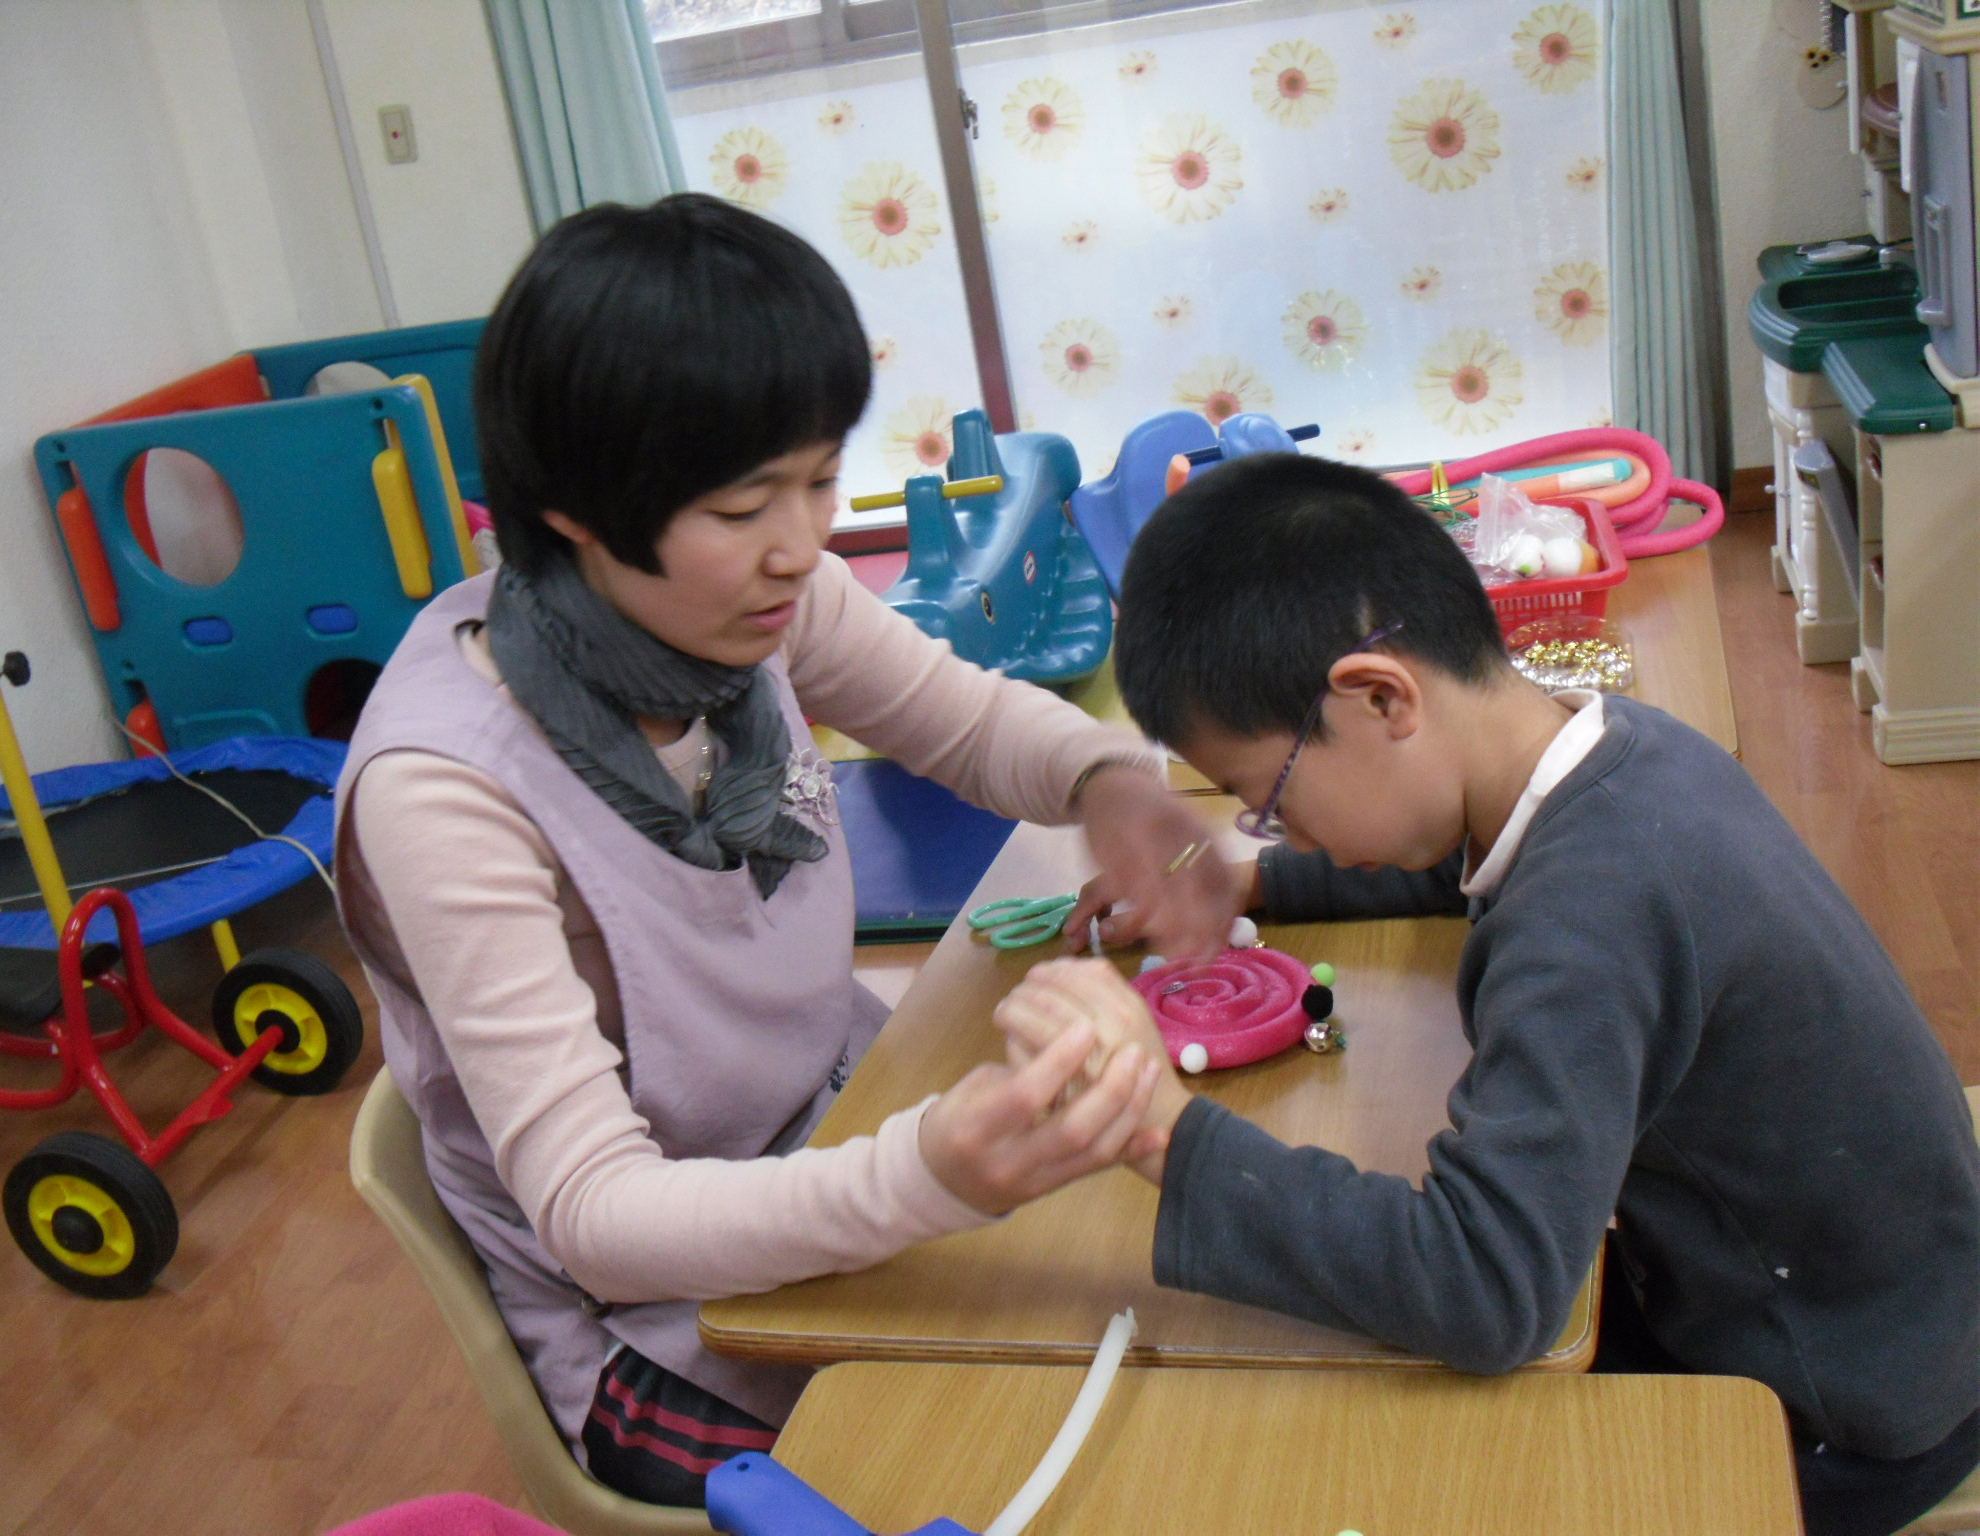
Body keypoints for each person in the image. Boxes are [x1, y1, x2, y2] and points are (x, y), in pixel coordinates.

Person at [332, 195, 1213, 1506]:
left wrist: (1104, 781)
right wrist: (925, 1175)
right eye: (749, 501)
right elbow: (600, 1216)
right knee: (1020, 1470)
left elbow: (967, 722)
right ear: (574, 510)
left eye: (818, 477)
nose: (803, 545)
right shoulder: (448, 792)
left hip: (835, 1119)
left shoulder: (751, 608)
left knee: (1152, 1333)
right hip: (663, 1315)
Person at [1000, 453, 1980, 1536]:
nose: (1286, 830)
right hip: (1885, 1299)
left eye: (1263, 801)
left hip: (1828, 1400)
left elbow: (1486, 1287)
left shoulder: (1587, 918)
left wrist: (1165, 1139)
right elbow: (1441, 843)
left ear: (1378, 698)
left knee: (1349, 1473)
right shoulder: (1603, 750)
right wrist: (1250, 881)